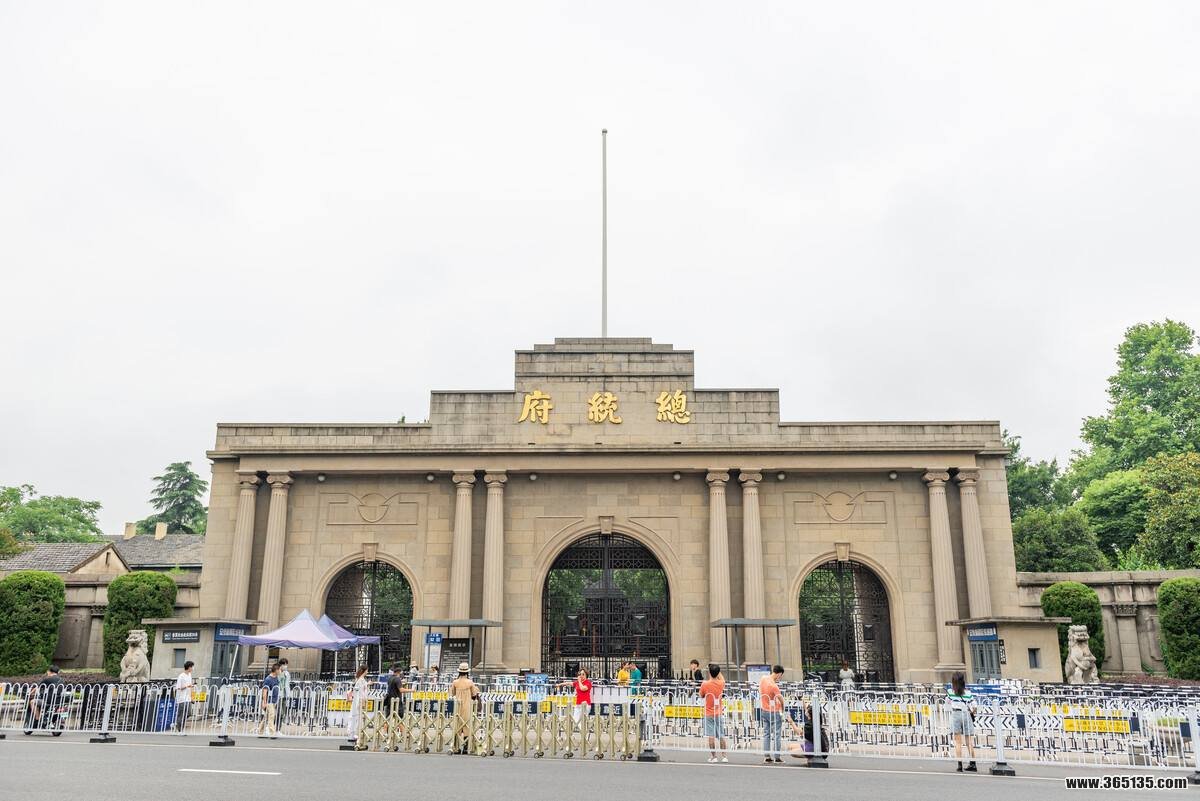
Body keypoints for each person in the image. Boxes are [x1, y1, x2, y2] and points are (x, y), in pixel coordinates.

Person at [947, 672, 978, 772]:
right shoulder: (968, 693)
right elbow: (975, 706)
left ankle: (959, 765)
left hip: (956, 715)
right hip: (966, 714)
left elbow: (947, 702)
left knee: (958, 742)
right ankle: (973, 764)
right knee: (969, 742)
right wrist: (972, 712)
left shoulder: (950, 692)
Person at [699, 663, 728, 763]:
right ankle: (724, 756)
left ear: (709, 673)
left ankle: (714, 756)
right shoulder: (721, 683)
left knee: (711, 735)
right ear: (718, 673)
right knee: (721, 734)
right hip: (718, 712)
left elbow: (701, 695)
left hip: (709, 712)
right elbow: (722, 679)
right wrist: (718, 671)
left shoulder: (705, 684)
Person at [449, 662, 480, 754]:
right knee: (467, 726)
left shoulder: (455, 682)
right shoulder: (470, 682)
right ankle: (466, 747)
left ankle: (456, 747)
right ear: (467, 672)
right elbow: (474, 695)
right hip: (467, 706)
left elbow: (452, 693)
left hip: (458, 706)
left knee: (457, 726)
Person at [25, 665, 63, 733]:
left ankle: (37, 719)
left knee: (32, 702)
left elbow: (37, 687)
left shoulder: (48, 679)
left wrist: (30, 693)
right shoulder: (61, 680)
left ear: (49, 671)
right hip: (58, 701)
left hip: (48, 701)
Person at [759, 664, 785, 764]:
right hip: (774, 712)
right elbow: (781, 699)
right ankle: (777, 757)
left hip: (764, 710)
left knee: (766, 734)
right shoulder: (774, 686)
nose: (780, 678)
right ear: (779, 674)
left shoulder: (763, 679)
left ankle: (767, 756)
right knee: (777, 734)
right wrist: (783, 709)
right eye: (780, 676)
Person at [347, 664, 371, 744]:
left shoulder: (360, 679)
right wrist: (363, 701)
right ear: (364, 671)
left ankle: (354, 734)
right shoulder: (360, 680)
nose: (367, 672)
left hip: (358, 701)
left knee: (356, 717)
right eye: (367, 670)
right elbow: (360, 692)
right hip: (358, 701)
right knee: (356, 717)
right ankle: (353, 734)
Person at [258, 663, 281, 738]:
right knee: (271, 716)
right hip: (269, 701)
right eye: (280, 669)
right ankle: (272, 733)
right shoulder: (268, 679)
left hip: (274, 700)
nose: (280, 671)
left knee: (266, 717)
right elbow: (265, 691)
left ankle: (260, 732)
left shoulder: (276, 678)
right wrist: (264, 702)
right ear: (276, 670)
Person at [174, 660, 195, 733]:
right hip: (182, 698)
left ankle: (179, 724)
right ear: (189, 667)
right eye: (192, 667)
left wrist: (192, 697)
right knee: (182, 713)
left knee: (189, 713)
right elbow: (178, 687)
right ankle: (180, 729)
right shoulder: (181, 676)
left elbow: (191, 686)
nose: (193, 668)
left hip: (188, 698)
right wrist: (186, 686)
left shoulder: (189, 675)